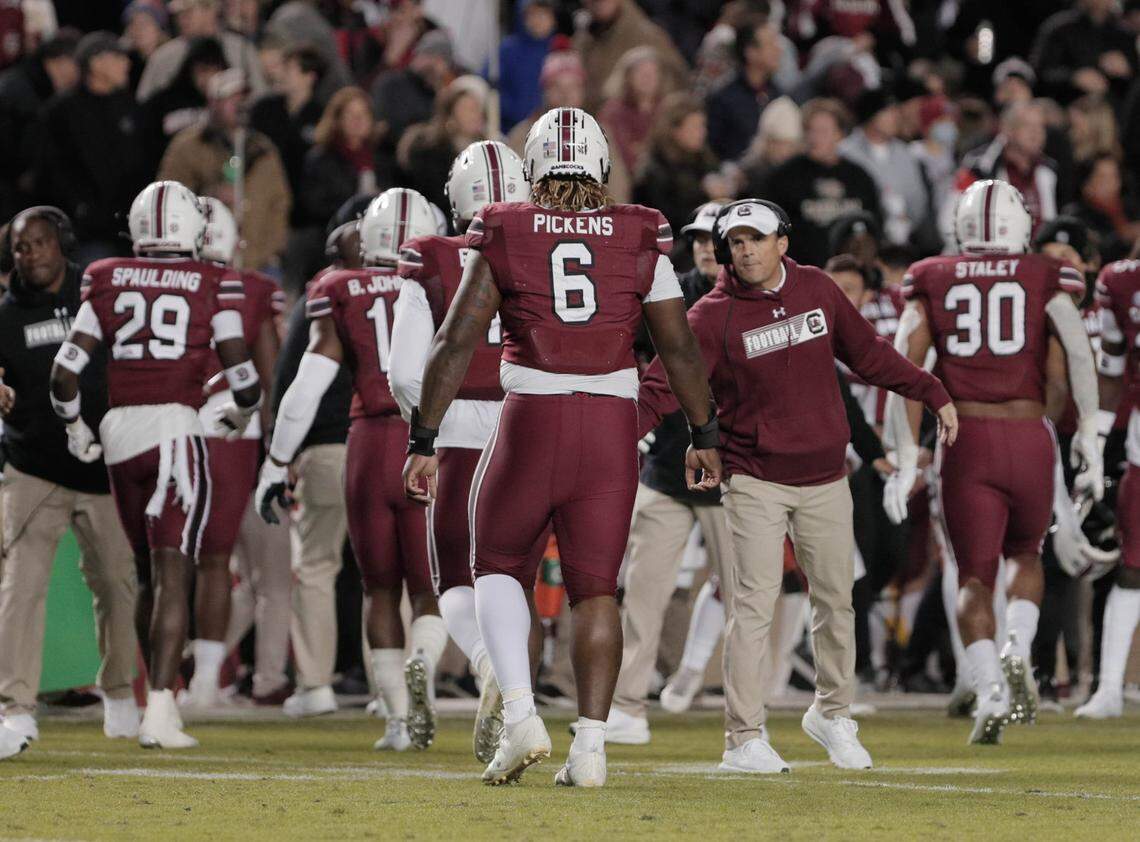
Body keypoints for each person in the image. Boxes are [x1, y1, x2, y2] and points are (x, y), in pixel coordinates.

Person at [402, 106, 719, 787]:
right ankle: (592, 748)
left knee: (494, 563)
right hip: (610, 426)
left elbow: (456, 341)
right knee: (595, 590)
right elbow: (680, 346)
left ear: (535, 165)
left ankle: (519, 714)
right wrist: (704, 432)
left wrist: (424, 435)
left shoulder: (507, 226)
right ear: (602, 164)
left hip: (533, 416)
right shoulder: (641, 229)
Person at [637, 199, 955, 773]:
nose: (744, 250)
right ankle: (743, 738)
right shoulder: (711, 315)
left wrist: (930, 390)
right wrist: (609, 439)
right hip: (754, 478)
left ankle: (833, 714)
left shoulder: (817, 288)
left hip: (826, 475)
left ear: (782, 241)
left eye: (755, 239)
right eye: (735, 242)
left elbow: (871, 357)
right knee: (753, 606)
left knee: (837, 600)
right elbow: (661, 387)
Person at [885, 179, 1099, 745]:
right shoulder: (1045, 274)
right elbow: (1076, 356)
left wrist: (905, 450)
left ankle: (989, 689)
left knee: (973, 577)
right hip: (1030, 433)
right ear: (1021, 225)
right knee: (1027, 556)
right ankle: (1017, 651)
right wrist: (1092, 438)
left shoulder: (932, 275)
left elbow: (905, 365)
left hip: (966, 434)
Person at [49, 181, 262, 748]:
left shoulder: (106, 275)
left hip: (119, 435)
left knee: (147, 574)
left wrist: (77, 430)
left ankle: (153, 699)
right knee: (174, 572)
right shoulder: (213, 280)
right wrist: (235, 418)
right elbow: (244, 381)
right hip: (174, 432)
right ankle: (162, 711)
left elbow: (63, 377)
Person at [258, 188, 447, 752]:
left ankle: (395, 722)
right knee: (432, 590)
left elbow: (305, 385)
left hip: (366, 442)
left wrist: (275, 462)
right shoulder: (453, 277)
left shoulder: (338, 287)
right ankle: (424, 668)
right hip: (429, 441)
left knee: (378, 589)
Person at [390, 141, 544, 764]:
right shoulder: (541, 243)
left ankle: (485, 666)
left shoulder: (428, 254)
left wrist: (423, 428)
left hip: (452, 428)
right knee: (513, 577)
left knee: (454, 577)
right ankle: (517, 690)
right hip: (527, 423)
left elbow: (406, 371)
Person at [0, 207, 139, 745]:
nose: (29, 253)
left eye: (38, 242)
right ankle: (16, 706)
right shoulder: (6, 315)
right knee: (21, 587)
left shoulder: (99, 294)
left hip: (103, 465)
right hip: (33, 466)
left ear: (63, 244)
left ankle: (122, 691)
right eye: (19, 246)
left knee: (118, 584)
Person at [606, 200, 733, 744]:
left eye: (715, 237)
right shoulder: (669, 290)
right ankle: (628, 706)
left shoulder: (758, 300)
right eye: (699, 237)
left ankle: (738, 716)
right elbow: (622, 349)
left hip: (734, 470)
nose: (705, 246)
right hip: (665, 466)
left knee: (749, 594)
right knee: (643, 592)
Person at [180, 198, 284, 709]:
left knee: (167, 560)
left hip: (160, 426)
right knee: (214, 561)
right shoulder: (254, 289)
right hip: (228, 430)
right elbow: (268, 378)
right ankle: (200, 682)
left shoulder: (141, 278)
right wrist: (275, 453)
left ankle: (172, 683)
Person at [268, 197, 362, 717]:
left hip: (328, 446)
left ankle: (316, 684)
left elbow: (290, 383)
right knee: (388, 572)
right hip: (387, 446)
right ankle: (393, 689)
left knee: (318, 568)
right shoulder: (404, 291)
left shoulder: (322, 298)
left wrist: (277, 456)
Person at [1076, 247, 1140, 718]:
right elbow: (1112, 369)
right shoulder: (1120, 281)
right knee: (1132, 564)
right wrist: (1095, 438)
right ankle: (1109, 688)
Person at [159, 69, 292, 273]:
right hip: (204, 262)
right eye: (232, 98)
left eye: (244, 99)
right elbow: (167, 198)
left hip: (259, 263)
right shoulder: (188, 146)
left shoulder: (264, 149)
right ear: (213, 102)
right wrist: (210, 195)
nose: (240, 105)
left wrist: (268, 251)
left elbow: (280, 203)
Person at [34, 31, 149, 264]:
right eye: (118, 57)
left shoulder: (130, 107)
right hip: (86, 235)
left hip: (131, 231)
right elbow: (50, 170)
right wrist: (80, 208)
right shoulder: (60, 111)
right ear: (96, 63)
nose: (126, 64)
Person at [759, 99, 882, 270]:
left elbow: (875, 225)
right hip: (801, 272)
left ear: (840, 134)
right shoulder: (784, 177)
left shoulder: (859, 177)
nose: (815, 138)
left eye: (823, 131)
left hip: (849, 274)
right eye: (811, 131)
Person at [632, 92, 723, 239]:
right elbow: (667, 219)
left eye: (702, 126)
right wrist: (705, 194)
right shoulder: (653, 171)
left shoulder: (704, 159)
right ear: (675, 130)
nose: (702, 132)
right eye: (695, 127)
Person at [136, 0, 265, 102]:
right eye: (179, 14)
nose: (182, 19)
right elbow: (144, 102)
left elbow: (260, 96)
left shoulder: (241, 49)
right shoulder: (164, 57)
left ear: (210, 10)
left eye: (189, 12)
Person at [397, 77, 489, 214]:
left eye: (477, 109)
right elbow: (438, 197)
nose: (476, 115)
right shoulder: (429, 151)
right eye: (468, 109)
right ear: (450, 115)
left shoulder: (485, 150)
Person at [704, 14, 783, 163]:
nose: (778, 50)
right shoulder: (723, 99)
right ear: (750, 52)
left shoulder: (778, 94)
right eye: (771, 44)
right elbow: (711, 151)